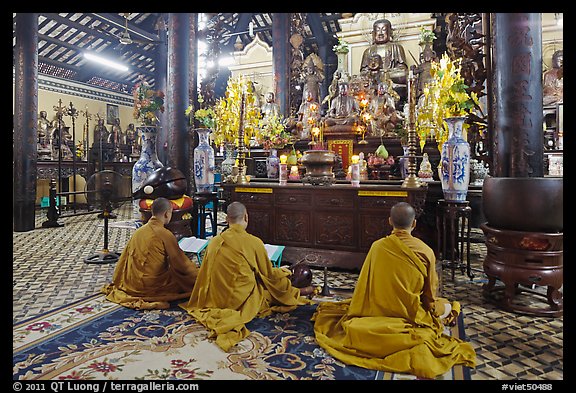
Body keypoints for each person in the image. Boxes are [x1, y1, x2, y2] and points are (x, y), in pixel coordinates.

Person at [312, 202, 476, 379]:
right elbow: (429, 297)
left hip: (376, 309)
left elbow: (363, 287)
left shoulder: (377, 247)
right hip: (409, 313)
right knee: (448, 307)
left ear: (390, 221)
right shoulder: (425, 251)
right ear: (414, 224)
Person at [180, 201, 315, 352]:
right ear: (246, 217)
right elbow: (269, 275)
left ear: (227, 219)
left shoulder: (214, 242)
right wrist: (285, 271)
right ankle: (302, 292)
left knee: (261, 281)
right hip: (239, 300)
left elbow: (205, 273)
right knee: (273, 287)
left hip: (214, 298)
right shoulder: (254, 242)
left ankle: (300, 291)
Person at [101, 197, 199, 310]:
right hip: (151, 286)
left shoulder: (139, 231)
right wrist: (199, 274)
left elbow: (125, 259)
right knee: (184, 280)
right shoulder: (165, 234)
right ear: (167, 214)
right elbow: (182, 265)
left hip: (132, 283)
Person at [360, 19, 408, 104]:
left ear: (390, 32)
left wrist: (384, 73)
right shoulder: (368, 51)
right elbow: (363, 72)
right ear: (373, 33)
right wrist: (371, 74)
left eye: (384, 29)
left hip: (390, 78)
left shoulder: (396, 48)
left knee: (403, 75)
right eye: (378, 30)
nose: (381, 33)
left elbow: (403, 70)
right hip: (373, 79)